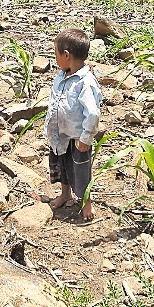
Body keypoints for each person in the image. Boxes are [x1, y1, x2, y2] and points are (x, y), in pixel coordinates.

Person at [44, 29, 102, 221]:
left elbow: (92, 112)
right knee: (62, 165)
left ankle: (86, 202)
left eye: (56, 54)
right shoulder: (62, 76)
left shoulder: (85, 83)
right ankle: (65, 193)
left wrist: (86, 137)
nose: (56, 59)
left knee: (81, 169)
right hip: (61, 134)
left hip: (77, 137)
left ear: (66, 55)